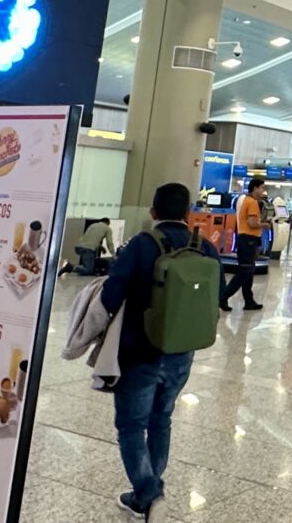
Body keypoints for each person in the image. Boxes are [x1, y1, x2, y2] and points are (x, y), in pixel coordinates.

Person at [102, 183, 223, 522]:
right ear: (188, 213)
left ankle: (150, 494)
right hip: (182, 353)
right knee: (161, 420)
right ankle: (145, 497)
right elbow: (219, 294)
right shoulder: (206, 248)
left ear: (152, 213)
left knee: (131, 425)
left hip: (140, 353)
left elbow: (111, 296)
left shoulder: (141, 245)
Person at [221, 179, 269, 311]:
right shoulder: (252, 202)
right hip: (249, 240)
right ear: (255, 188)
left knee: (248, 271)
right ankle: (223, 297)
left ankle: (249, 300)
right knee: (244, 271)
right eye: (261, 188)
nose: (263, 191)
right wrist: (264, 224)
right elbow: (252, 223)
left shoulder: (247, 201)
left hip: (246, 239)